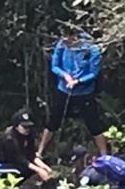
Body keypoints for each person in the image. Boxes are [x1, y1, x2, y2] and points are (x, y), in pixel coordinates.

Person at [39, 26, 106, 158]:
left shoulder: (92, 49)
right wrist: (65, 76)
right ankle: (40, 152)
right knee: (53, 121)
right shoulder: (62, 44)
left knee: (94, 124)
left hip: (84, 92)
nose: (66, 43)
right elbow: (55, 66)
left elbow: (93, 73)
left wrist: (78, 81)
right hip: (63, 89)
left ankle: (105, 155)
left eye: (70, 40)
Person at [0, 110, 53, 181]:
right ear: (16, 126)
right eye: (24, 127)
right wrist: (39, 170)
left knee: (36, 167)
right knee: (22, 171)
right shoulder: (9, 139)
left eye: (28, 127)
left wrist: (45, 167)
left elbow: (31, 155)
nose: (27, 129)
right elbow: (18, 159)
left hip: (15, 162)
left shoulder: (28, 136)